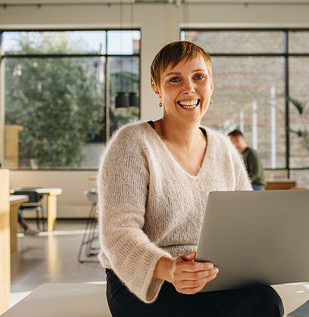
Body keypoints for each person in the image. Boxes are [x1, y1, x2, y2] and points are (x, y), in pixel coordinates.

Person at [98, 41, 283, 316]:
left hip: (211, 271)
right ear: (156, 88)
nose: (189, 89)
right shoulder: (132, 143)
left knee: (267, 303)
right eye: (175, 79)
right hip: (146, 275)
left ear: (211, 86)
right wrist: (169, 269)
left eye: (199, 77)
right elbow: (119, 233)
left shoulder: (224, 149)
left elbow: (246, 223)